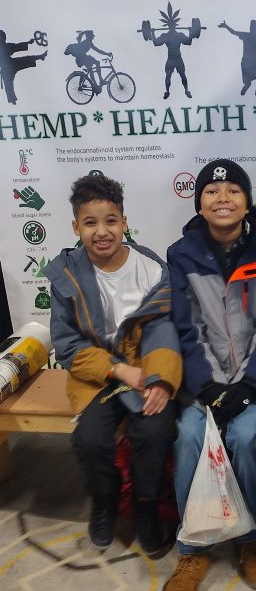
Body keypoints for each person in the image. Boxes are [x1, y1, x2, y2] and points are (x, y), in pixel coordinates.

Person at [164, 158, 256, 591]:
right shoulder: (181, 254)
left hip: (255, 384)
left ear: (246, 201)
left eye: (233, 190)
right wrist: (207, 388)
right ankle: (192, 548)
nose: (223, 198)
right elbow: (186, 327)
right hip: (203, 385)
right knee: (187, 436)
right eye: (212, 192)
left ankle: (252, 538)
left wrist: (247, 388)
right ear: (199, 204)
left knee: (245, 435)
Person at [46, 174, 182, 555]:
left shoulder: (151, 268)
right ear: (76, 227)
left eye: (110, 221)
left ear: (124, 222)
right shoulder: (66, 275)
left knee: (154, 431)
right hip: (97, 373)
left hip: (145, 367)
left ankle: (146, 508)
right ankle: (104, 502)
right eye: (90, 223)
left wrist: (160, 380)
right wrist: (119, 370)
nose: (101, 232)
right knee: (89, 439)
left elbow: (161, 328)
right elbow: (69, 346)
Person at [218, 20, 256, 96]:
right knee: (249, 83)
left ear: (255, 28)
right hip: (246, 63)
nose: (250, 27)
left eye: (252, 26)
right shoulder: (246, 35)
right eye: (250, 25)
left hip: (252, 63)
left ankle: (255, 94)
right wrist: (226, 26)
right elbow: (233, 32)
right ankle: (245, 90)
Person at [0, 30, 47, 105]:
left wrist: (28, 42)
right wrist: (28, 42)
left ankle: (40, 56)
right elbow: (16, 46)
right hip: (8, 67)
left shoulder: (6, 46)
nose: (3, 40)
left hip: (10, 65)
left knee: (26, 59)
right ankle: (12, 100)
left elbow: (17, 46)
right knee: (9, 87)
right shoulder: (5, 46)